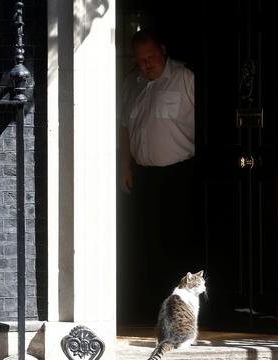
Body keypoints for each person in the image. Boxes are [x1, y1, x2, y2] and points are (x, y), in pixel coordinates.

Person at [118, 28, 199, 323]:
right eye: (140, 59)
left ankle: (181, 312)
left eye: (151, 57)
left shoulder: (186, 79)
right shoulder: (131, 83)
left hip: (179, 175)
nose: (146, 64)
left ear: (163, 49)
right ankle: (147, 309)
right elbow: (124, 128)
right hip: (143, 177)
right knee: (144, 243)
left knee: (177, 244)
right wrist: (124, 166)